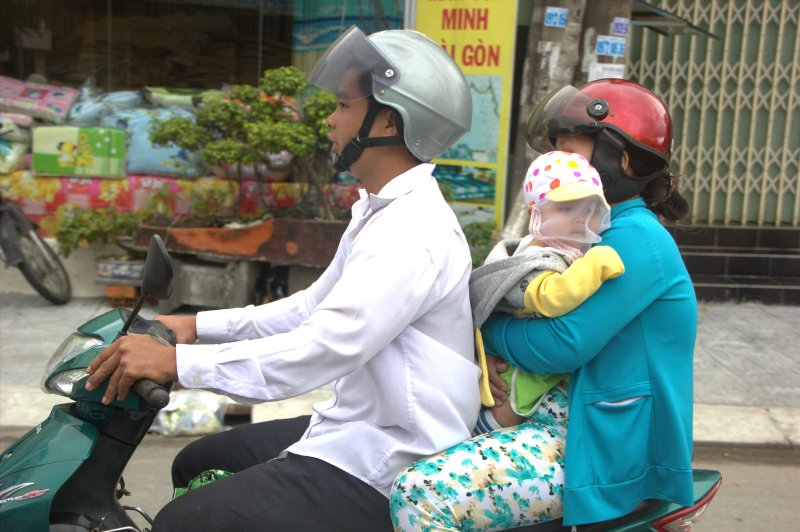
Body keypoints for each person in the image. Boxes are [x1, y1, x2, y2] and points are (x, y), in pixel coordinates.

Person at [85, 26, 480, 531]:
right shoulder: (380, 211)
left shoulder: (413, 232)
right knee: (196, 464)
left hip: (393, 457)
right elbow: (310, 308)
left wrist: (177, 364)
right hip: (354, 425)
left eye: (343, 105)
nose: (331, 119)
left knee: (184, 521)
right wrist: (196, 326)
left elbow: (322, 347)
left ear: (388, 120)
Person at [390, 78, 696, 531]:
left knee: (421, 494)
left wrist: (488, 330)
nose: (557, 163)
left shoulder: (635, 238)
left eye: (569, 150)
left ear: (622, 157)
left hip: (596, 445)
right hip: (557, 423)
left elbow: (561, 345)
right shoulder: (584, 232)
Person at [470, 150, 624, 434]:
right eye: (566, 209)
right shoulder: (533, 258)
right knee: (510, 406)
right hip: (514, 368)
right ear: (535, 213)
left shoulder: (562, 249)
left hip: (522, 351)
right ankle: (484, 429)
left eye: (588, 210)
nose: (579, 219)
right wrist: (597, 264)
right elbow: (550, 298)